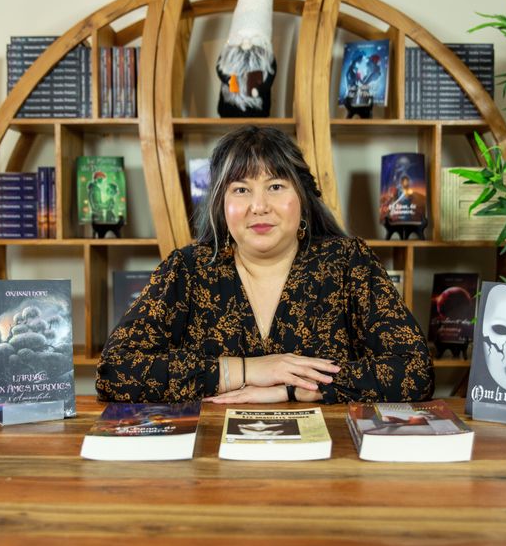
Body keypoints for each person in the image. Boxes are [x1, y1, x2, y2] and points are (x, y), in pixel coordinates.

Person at [96, 125, 434, 404]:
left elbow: (415, 370)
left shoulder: (348, 263)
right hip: (210, 455)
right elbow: (115, 369)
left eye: (275, 186)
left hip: (327, 455)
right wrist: (247, 370)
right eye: (241, 189)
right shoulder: (187, 269)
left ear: (302, 197)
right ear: (220, 203)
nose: (259, 206)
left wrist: (296, 389)